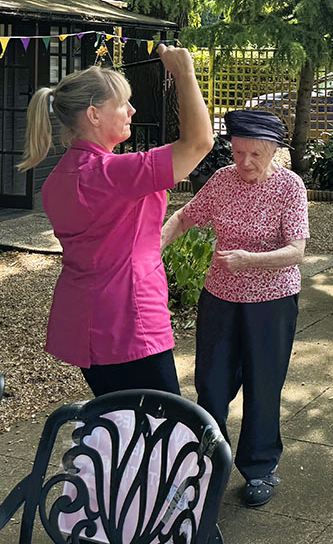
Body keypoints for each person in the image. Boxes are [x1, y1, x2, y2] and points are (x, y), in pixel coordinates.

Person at [18, 46, 214, 396]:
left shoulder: (57, 179)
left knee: (118, 427)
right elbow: (199, 143)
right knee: (164, 432)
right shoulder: (115, 173)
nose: (132, 111)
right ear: (94, 115)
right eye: (123, 103)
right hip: (130, 317)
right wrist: (184, 73)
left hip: (83, 320)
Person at [160, 110, 308, 508]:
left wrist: (250, 261)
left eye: (254, 154)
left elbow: (296, 251)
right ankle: (207, 458)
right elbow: (185, 216)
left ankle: (260, 468)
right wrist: (153, 250)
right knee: (211, 381)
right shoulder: (223, 180)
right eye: (238, 151)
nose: (243, 162)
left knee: (263, 385)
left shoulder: (289, 187)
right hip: (221, 297)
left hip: (272, 301)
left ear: (274, 151)